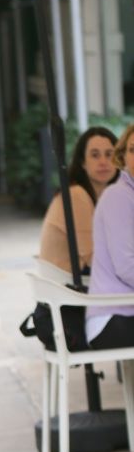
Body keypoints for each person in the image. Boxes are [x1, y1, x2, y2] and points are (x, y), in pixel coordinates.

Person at [39, 127, 118, 273]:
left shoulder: (105, 196)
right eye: (95, 155)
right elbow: (92, 256)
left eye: (109, 155)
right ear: (83, 162)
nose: (103, 162)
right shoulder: (76, 195)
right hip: (68, 283)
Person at [87, 123, 134, 349]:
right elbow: (127, 267)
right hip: (113, 316)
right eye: (133, 150)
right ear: (123, 156)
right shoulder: (119, 197)